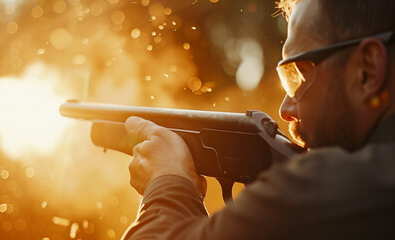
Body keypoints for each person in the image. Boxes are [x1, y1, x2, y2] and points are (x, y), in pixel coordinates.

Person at [121, 0, 395, 239]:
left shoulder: (323, 191)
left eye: (300, 75)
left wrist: (167, 182)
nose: (287, 109)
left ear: (368, 70)